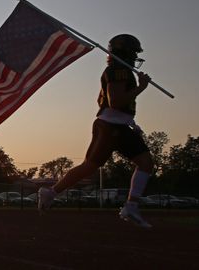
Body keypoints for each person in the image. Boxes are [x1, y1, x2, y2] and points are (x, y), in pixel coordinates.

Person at [38, 34, 155, 228]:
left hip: (119, 124)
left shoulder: (122, 70)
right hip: (111, 125)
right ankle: (51, 192)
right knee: (91, 166)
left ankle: (131, 206)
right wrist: (141, 88)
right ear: (123, 51)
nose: (135, 56)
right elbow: (116, 102)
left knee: (144, 163)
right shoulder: (118, 70)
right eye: (133, 52)